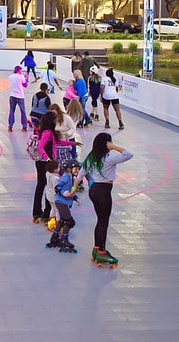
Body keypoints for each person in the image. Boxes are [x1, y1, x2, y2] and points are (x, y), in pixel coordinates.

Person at [74, 132, 134, 266]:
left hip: (94, 190)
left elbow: (81, 173)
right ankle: (101, 251)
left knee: (100, 220)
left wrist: (74, 188)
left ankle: (97, 248)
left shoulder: (91, 157)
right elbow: (129, 154)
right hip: (103, 192)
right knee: (103, 221)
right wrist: (115, 147)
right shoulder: (109, 158)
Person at [34, 111, 79, 224]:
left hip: (44, 162)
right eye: (54, 119)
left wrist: (72, 144)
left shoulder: (48, 132)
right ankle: (43, 213)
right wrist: (48, 158)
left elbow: (57, 142)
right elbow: (40, 147)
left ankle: (42, 212)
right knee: (46, 186)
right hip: (44, 163)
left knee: (43, 186)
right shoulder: (47, 133)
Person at [47, 161, 82, 253]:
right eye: (76, 168)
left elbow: (71, 191)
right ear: (70, 169)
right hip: (61, 202)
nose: (78, 170)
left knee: (62, 221)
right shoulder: (66, 178)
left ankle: (54, 238)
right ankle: (64, 240)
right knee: (69, 221)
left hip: (65, 202)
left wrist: (76, 198)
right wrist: (63, 192)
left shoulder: (72, 178)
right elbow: (57, 187)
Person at [7, 66, 29, 132]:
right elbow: (25, 85)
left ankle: (10, 126)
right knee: (23, 111)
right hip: (20, 96)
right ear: (19, 70)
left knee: (11, 111)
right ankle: (24, 127)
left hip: (12, 95)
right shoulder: (21, 76)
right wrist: (26, 79)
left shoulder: (10, 76)